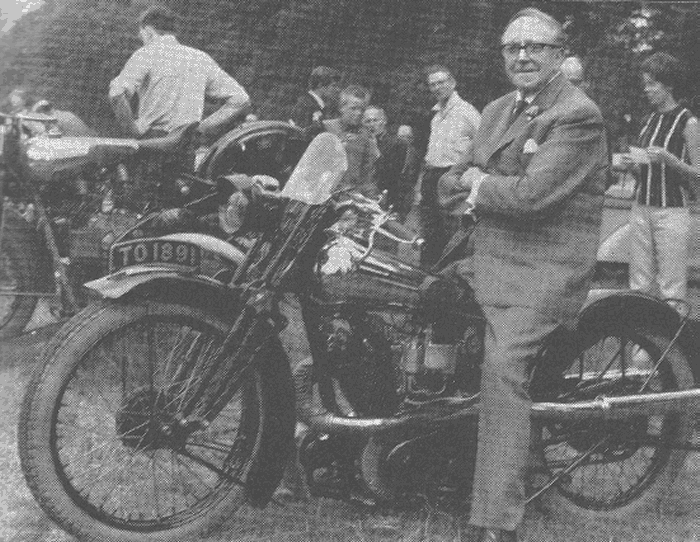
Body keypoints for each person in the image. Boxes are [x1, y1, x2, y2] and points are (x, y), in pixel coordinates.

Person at [438, 8, 609, 541]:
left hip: (541, 272)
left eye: (536, 47)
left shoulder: (578, 115)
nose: (523, 56)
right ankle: (431, 463)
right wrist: (477, 183)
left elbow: (532, 198)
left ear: (558, 55)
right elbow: (447, 182)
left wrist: (476, 184)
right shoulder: (495, 111)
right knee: (403, 309)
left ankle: (494, 520)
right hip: (484, 256)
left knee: (503, 371)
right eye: (513, 48)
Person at [617, 52, 699, 311]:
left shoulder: (688, 122)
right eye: (645, 84)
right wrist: (634, 167)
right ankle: (642, 346)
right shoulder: (650, 120)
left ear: (669, 85)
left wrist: (670, 159)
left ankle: (672, 349)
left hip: (672, 211)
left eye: (652, 83)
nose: (646, 90)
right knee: (639, 283)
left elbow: (698, 172)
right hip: (641, 207)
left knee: (671, 287)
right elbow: (646, 171)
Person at [108, 5, 250, 139]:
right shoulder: (200, 58)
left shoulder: (146, 54)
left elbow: (116, 93)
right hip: (186, 143)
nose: (142, 40)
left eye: (141, 35)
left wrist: (133, 130)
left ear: (148, 31)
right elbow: (241, 99)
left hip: (153, 141)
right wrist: (202, 127)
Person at [420, 65, 481, 266]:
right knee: (430, 229)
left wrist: (469, 174)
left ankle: (446, 276)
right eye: (432, 84)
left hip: (451, 176)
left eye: (441, 82)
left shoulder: (466, 111)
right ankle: (426, 275)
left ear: (452, 83)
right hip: (431, 176)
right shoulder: (436, 116)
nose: (437, 87)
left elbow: (483, 143)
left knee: (450, 229)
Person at [322, 85, 378, 197]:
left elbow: (367, 176)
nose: (358, 113)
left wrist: (373, 198)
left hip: (349, 197)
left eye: (362, 109)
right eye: (353, 108)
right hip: (323, 193)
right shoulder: (326, 128)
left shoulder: (366, 137)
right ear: (341, 107)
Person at [362, 106, 416, 220]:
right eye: (368, 121)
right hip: (365, 199)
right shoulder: (360, 145)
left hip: (389, 201)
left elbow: (393, 175)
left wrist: (376, 153)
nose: (371, 124)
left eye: (375, 120)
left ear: (384, 121)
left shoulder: (397, 144)